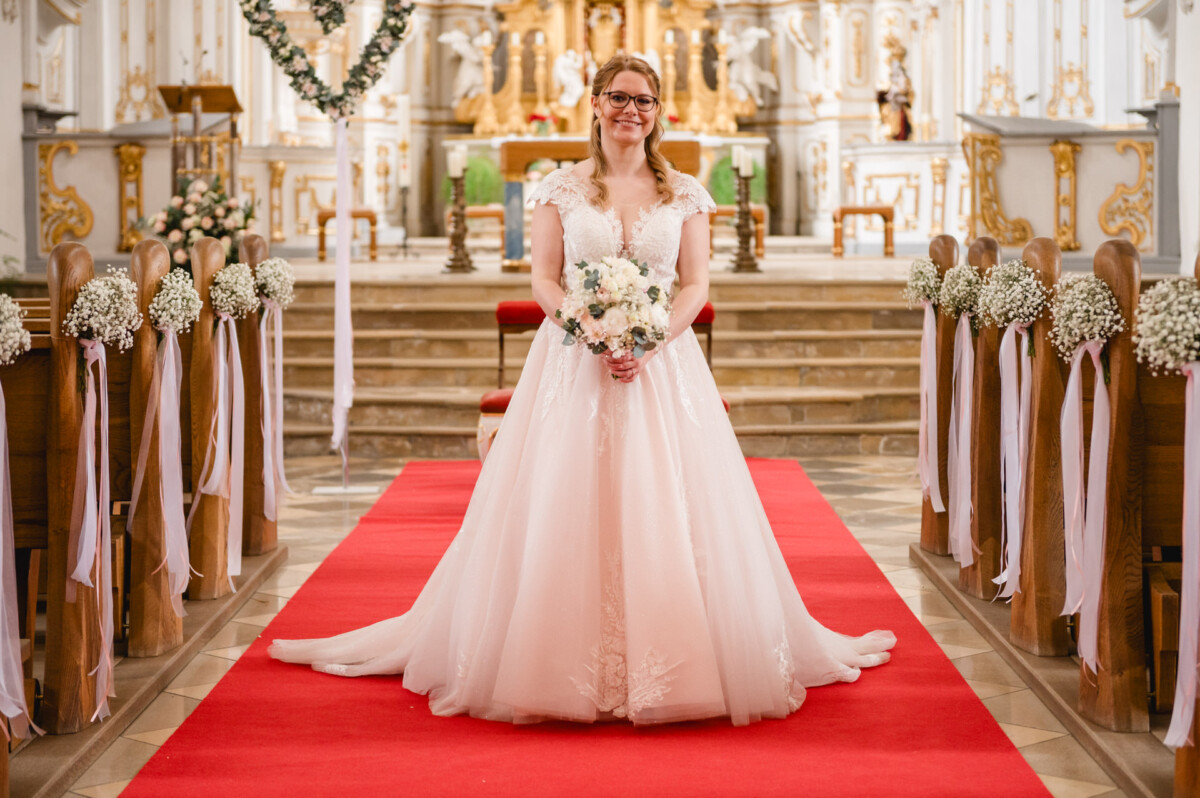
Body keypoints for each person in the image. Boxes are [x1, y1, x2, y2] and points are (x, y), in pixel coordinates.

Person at [269, 54, 895, 726]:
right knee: (565, 504)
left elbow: (695, 285)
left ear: (660, 111)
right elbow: (543, 277)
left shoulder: (685, 192)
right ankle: (552, 660)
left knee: (672, 506)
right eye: (620, 98)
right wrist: (589, 329)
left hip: (664, 370)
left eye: (645, 100)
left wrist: (650, 341)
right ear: (594, 104)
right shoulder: (558, 190)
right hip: (574, 364)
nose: (632, 111)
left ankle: (681, 661)